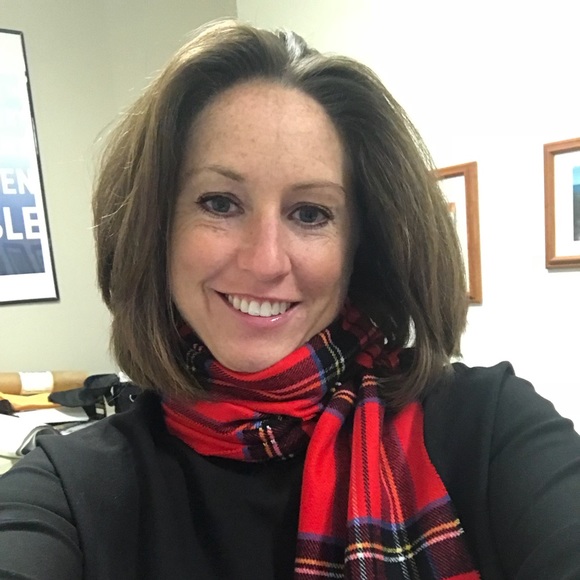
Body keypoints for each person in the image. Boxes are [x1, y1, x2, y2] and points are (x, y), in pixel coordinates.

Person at [1, 19, 579, 580]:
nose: (265, 261)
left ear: (360, 245)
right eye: (220, 203)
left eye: (310, 213)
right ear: (158, 228)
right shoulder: (71, 489)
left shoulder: (491, 429)